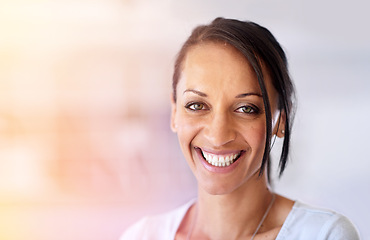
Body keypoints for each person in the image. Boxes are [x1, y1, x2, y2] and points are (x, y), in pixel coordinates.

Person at [120, 18, 360, 240]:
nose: (218, 136)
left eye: (246, 109)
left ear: (281, 119)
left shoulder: (324, 235)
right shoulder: (142, 235)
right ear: (174, 113)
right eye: (197, 105)